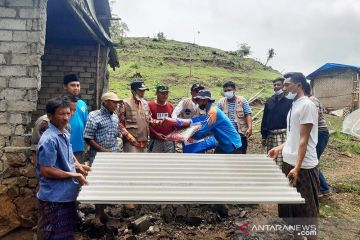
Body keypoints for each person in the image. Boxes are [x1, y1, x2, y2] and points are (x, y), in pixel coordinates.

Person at [268, 72, 319, 239]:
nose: (284, 88)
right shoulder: (294, 105)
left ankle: (309, 236)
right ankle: (295, 235)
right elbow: (293, 137)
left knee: (304, 207)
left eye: (287, 85)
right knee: (288, 204)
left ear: (298, 85)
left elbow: (304, 140)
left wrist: (297, 168)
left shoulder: (307, 105)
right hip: (289, 161)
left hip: (303, 166)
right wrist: (279, 148)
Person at [36, 96, 89, 239]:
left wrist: (78, 165)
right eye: (61, 114)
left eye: (68, 113)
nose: (66, 117)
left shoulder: (64, 133)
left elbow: (68, 154)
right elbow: (46, 170)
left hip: (65, 195)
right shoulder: (49, 139)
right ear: (50, 116)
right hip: (54, 197)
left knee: (66, 233)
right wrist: (73, 175)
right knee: (53, 234)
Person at [84, 92, 122, 223]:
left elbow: (116, 135)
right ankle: (97, 214)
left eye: (117, 102)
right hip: (99, 157)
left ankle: (103, 212)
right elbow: (88, 137)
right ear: (105, 102)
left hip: (112, 156)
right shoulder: (94, 116)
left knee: (107, 184)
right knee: (98, 184)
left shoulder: (115, 117)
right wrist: (102, 150)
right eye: (114, 102)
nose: (116, 105)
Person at [185, 89, 242, 153]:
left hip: (232, 144)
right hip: (223, 143)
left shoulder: (213, 112)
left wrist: (185, 135)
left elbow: (201, 132)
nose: (197, 103)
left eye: (199, 100)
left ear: (205, 100)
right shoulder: (210, 111)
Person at [303, 82, 332, 197]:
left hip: (319, 133)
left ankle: (323, 188)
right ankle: (321, 187)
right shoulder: (308, 101)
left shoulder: (312, 101)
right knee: (312, 160)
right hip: (318, 133)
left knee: (313, 161)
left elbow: (314, 120)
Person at [121, 81, 162, 152]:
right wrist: (130, 137)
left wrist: (162, 122)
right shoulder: (125, 103)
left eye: (144, 91)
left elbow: (149, 120)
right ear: (133, 91)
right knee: (133, 163)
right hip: (130, 142)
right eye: (140, 91)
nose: (143, 93)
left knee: (142, 162)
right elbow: (119, 123)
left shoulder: (145, 103)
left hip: (144, 141)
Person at [261, 77, 293, 167]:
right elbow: (265, 119)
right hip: (271, 135)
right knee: (272, 159)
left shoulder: (290, 101)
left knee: (284, 160)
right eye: (274, 85)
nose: (276, 87)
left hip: (284, 135)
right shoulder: (269, 101)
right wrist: (264, 135)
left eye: (278, 84)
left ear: (283, 86)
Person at [217, 81, 252, 154]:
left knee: (240, 156)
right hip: (226, 135)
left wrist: (250, 127)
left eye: (229, 90)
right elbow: (216, 116)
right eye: (225, 91)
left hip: (240, 135)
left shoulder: (242, 100)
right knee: (224, 156)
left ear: (234, 90)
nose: (227, 92)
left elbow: (248, 114)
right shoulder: (220, 102)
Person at [63, 74, 88, 163]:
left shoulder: (82, 104)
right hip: (64, 146)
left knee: (78, 170)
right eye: (72, 85)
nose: (76, 88)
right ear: (65, 87)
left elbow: (86, 124)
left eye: (78, 85)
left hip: (79, 146)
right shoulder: (60, 104)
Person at [148, 84, 176, 153]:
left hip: (169, 140)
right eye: (162, 93)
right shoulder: (150, 105)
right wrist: (156, 134)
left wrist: (172, 135)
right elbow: (147, 123)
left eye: (166, 93)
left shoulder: (170, 106)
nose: (165, 95)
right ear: (157, 93)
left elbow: (173, 122)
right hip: (155, 140)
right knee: (155, 161)